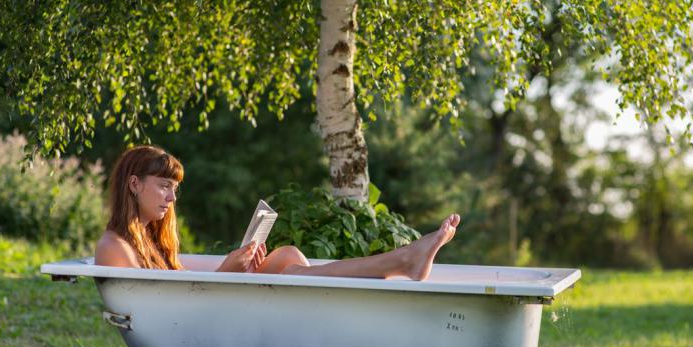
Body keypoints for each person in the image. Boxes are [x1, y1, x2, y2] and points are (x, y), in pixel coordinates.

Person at [94, 145, 460, 281]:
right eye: (164, 186)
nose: (172, 198)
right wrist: (227, 271)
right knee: (296, 272)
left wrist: (238, 263)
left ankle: (398, 263)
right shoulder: (114, 247)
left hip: (205, 313)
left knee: (286, 257)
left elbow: (177, 284)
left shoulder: (152, 241)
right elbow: (163, 310)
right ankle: (398, 262)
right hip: (199, 322)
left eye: (175, 188)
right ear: (134, 184)